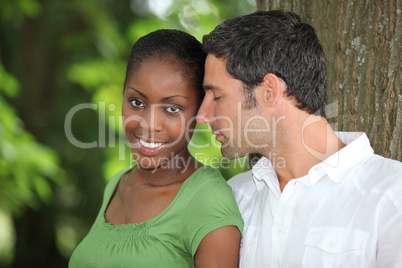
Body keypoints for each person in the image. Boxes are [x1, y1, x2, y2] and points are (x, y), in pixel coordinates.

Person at [196, 10, 402, 267]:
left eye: (216, 96)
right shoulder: (236, 197)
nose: (202, 115)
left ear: (269, 91)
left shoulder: (392, 195)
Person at [69, 29, 243, 268]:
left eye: (172, 109)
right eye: (137, 102)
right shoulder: (118, 184)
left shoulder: (206, 199)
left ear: (199, 111)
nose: (149, 124)